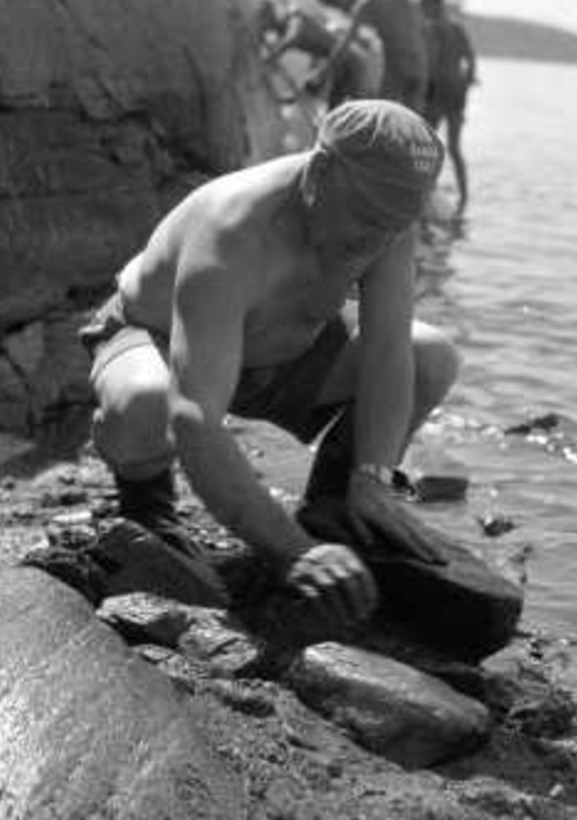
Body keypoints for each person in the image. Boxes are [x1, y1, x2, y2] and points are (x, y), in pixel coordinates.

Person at [79, 100, 458, 628]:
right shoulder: (232, 230)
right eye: (367, 218)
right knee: (149, 404)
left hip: (285, 354)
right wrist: (291, 553)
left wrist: (375, 475)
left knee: (432, 357)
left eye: (393, 225)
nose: (377, 238)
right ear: (319, 172)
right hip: (160, 342)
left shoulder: (387, 222)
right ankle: (148, 506)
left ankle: (335, 511)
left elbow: (388, 351)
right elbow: (194, 415)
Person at [320, 0, 428, 112]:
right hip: (419, 69)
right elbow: (419, 36)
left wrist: (323, 72)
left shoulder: (367, 2)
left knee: (383, 123)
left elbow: (346, 43)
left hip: (396, 68)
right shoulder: (405, 1)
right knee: (411, 127)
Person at [419, 0, 477, 213]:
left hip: (439, 90)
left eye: (424, 6)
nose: (421, 11)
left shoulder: (430, 28)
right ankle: (464, 197)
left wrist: (421, 89)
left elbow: (430, 62)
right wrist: (469, 79)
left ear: (433, 5)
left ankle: (426, 192)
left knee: (427, 144)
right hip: (458, 91)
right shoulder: (457, 28)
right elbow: (470, 57)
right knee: (454, 147)